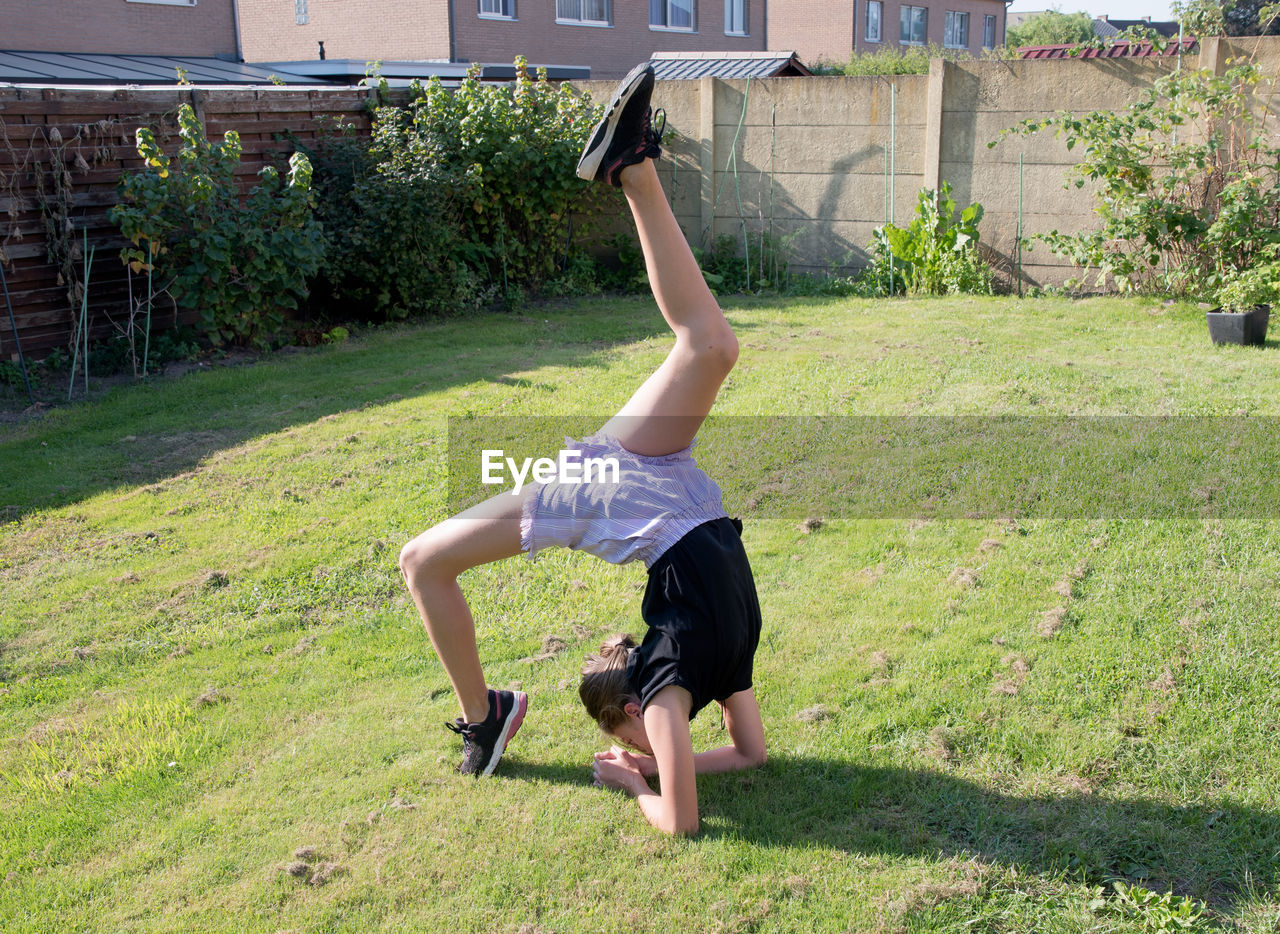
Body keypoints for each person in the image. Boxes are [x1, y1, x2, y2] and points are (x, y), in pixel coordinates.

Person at [398, 63, 767, 833]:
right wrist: (660, 765)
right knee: (712, 347)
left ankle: (485, 719)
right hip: (662, 479)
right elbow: (749, 756)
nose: (657, 738)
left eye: (632, 733)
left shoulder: (675, 668)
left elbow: (696, 807)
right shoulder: (697, 662)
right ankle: (631, 167)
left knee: (422, 560)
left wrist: (649, 776)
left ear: (632, 705)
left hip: (602, 490)